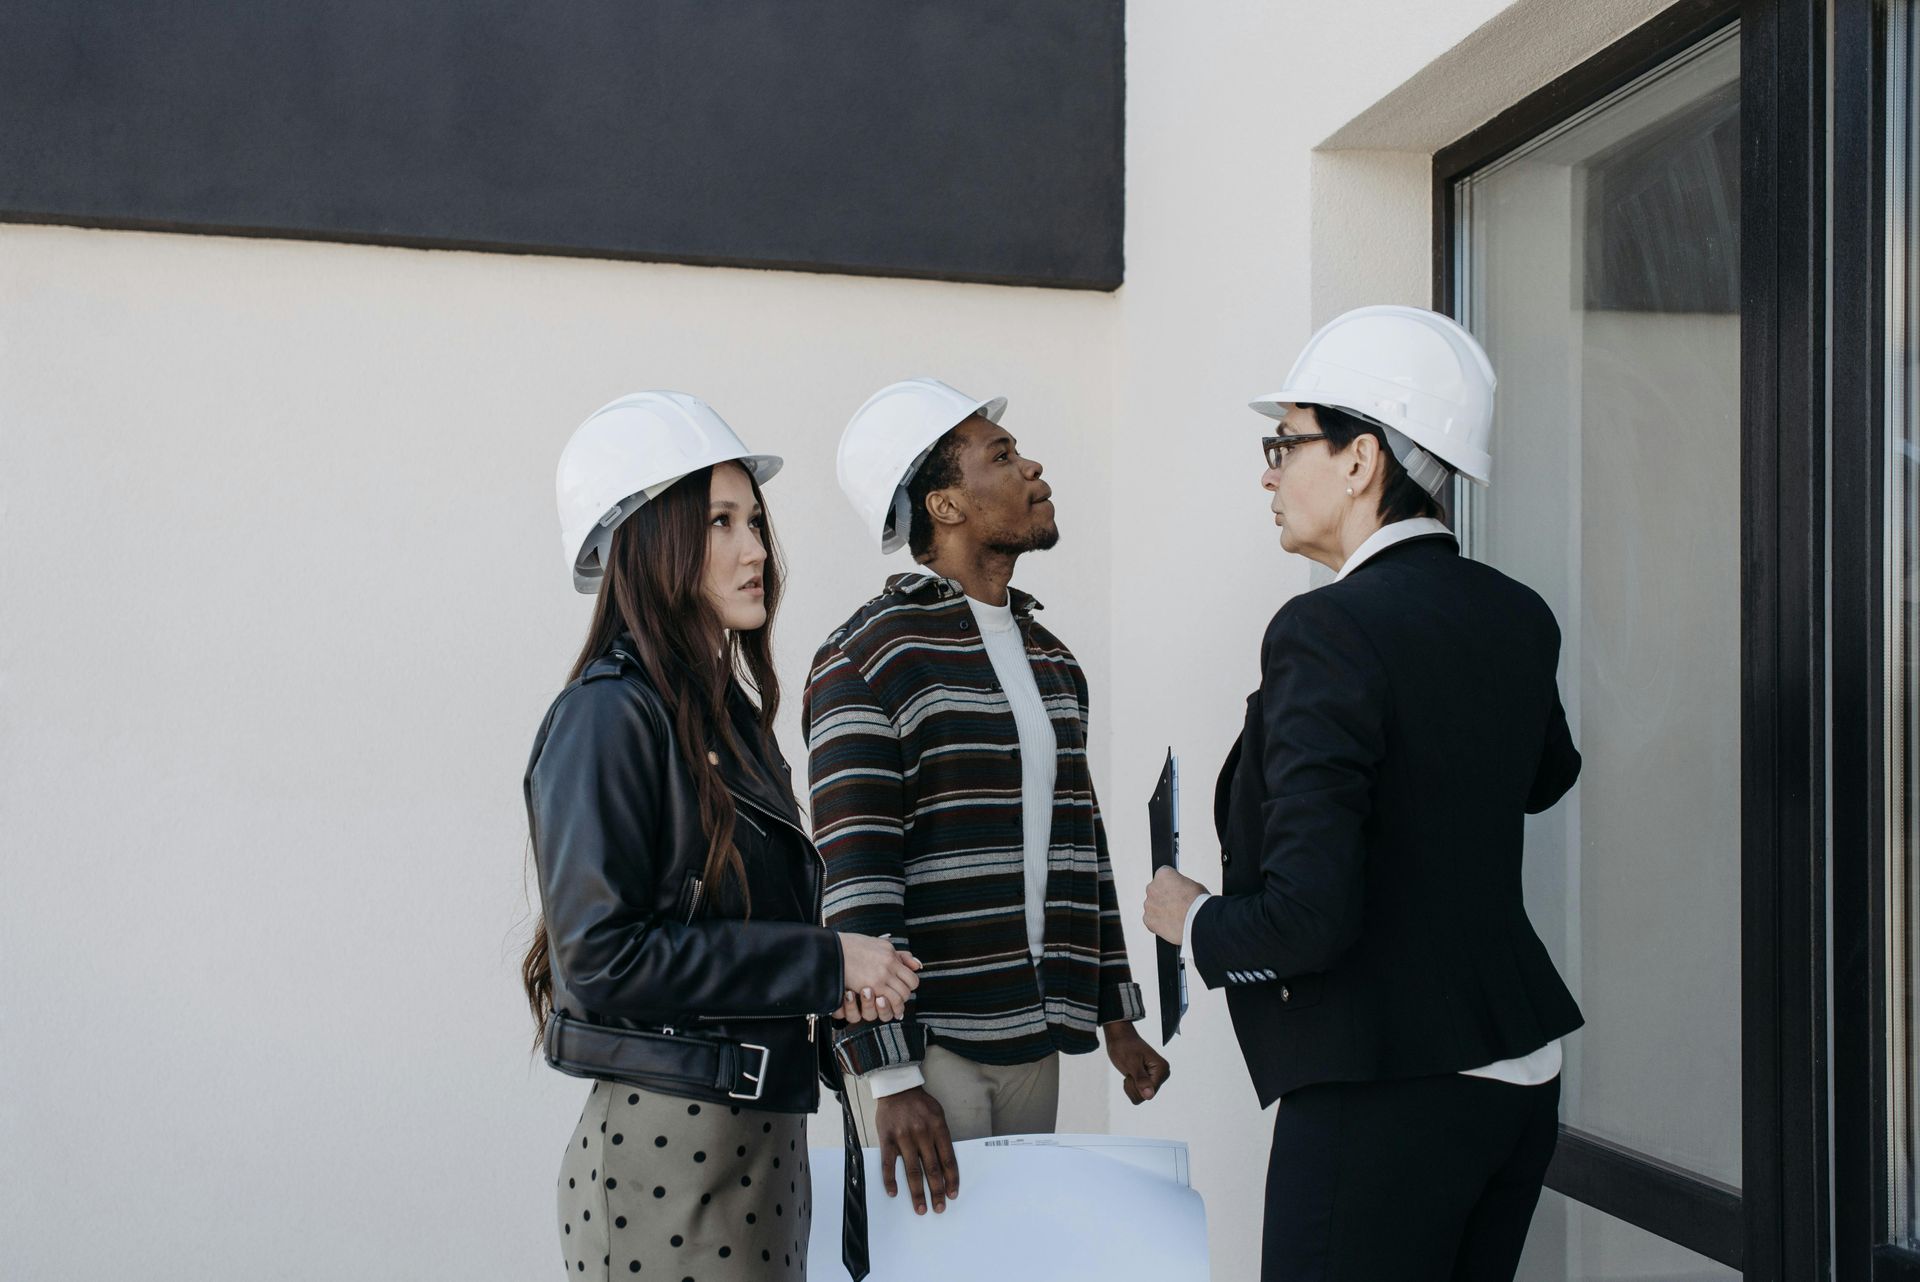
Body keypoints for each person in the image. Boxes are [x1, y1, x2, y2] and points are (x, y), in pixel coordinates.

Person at [1142, 307, 1585, 1282]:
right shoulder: (1517, 615)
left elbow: (1307, 919)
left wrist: (1193, 918)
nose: (1268, 470)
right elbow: (1548, 777)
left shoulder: (1327, 630)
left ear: (1360, 461)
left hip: (1385, 1086)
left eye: (1286, 441)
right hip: (1518, 1077)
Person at [522, 391, 920, 1281]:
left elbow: (736, 937)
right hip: (670, 1155)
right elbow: (602, 960)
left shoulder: (731, 723)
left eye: (755, 521)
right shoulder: (607, 718)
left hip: (763, 1149)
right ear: (652, 541)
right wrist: (822, 962)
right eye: (720, 523)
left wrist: (832, 986)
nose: (756, 551)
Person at [806, 377, 1170, 1219]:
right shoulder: (868, 656)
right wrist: (888, 1073)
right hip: (929, 1054)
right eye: (1001, 456)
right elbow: (856, 880)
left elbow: (1081, 847)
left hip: (1034, 1040)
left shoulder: (1054, 661)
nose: (1032, 466)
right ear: (946, 504)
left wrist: (1115, 1017)